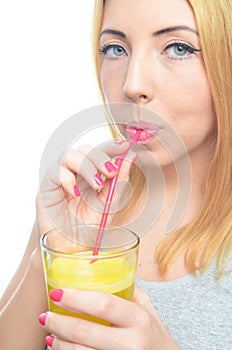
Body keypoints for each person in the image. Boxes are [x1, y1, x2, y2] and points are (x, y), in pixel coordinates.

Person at [1, 0, 232, 349]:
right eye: (115, 48)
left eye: (178, 48)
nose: (132, 83)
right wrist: (50, 255)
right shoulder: (82, 202)